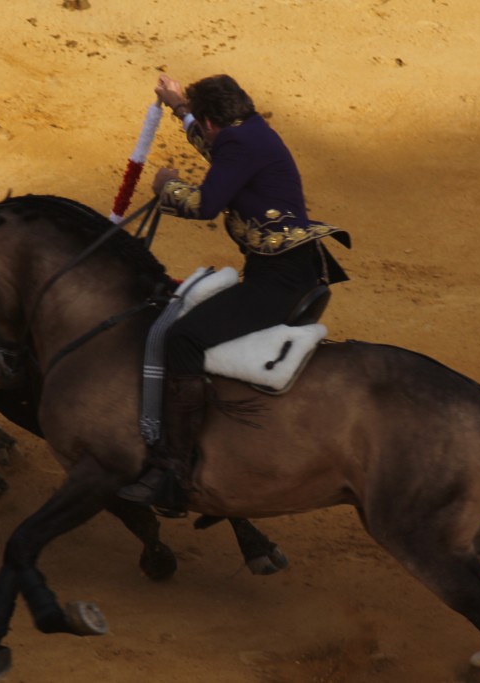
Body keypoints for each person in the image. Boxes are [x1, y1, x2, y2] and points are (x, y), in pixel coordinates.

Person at [117, 73, 351, 516]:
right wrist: (177, 106)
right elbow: (216, 148)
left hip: (279, 281)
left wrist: (165, 185)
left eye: (199, 120)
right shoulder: (249, 132)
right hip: (289, 268)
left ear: (210, 122)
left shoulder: (239, 146)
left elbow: (205, 204)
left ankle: (173, 468)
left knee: (180, 339)